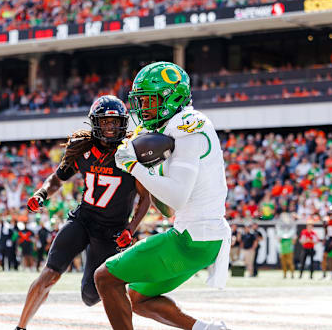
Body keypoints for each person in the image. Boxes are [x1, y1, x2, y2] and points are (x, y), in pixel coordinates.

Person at [95, 61, 231, 330]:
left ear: (173, 97)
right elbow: (168, 209)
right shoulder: (174, 127)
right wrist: (147, 169)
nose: (144, 108)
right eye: (141, 102)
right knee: (139, 297)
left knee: (105, 278)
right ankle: (209, 329)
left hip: (194, 238)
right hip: (197, 237)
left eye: (149, 101)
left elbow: (177, 198)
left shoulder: (188, 125)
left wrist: (133, 165)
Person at [15, 95, 150, 330]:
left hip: (111, 231)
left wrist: (131, 228)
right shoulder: (83, 149)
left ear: (123, 123)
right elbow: (57, 179)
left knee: (90, 296)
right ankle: (20, 327)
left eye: (114, 122)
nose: (109, 127)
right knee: (50, 273)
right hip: (83, 220)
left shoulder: (131, 152)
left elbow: (145, 197)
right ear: (95, 123)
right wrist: (42, 193)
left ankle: (122, 272)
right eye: (105, 122)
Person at [276, 213, 296, 279]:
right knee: (283, 264)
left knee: (290, 263)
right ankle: (285, 275)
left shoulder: (291, 229)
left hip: (289, 249)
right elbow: (278, 240)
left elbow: (293, 241)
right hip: (283, 249)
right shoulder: (280, 229)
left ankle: (292, 274)